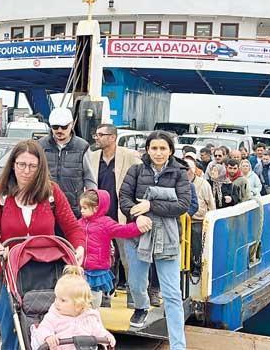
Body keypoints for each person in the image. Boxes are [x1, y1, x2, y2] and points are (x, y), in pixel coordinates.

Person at [0, 140, 86, 350]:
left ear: (40, 167)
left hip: (44, 272)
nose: (26, 171)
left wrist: (80, 247)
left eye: (32, 166)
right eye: (21, 164)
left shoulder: (51, 193)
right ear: (13, 164)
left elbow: (73, 228)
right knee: (10, 328)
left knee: (44, 329)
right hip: (8, 272)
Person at [119, 131, 189, 349]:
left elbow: (183, 204)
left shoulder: (179, 173)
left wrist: (150, 205)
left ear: (170, 150)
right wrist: (136, 216)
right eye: (154, 148)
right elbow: (124, 199)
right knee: (136, 283)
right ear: (147, 149)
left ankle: (178, 345)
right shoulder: (136, 170)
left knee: (172, 294)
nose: (158, 153)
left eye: (163, 148)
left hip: (167, 239)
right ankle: (141, 306)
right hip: (138, 237)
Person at [89, 123, 142, 293]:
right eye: (96, 134)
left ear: (113, 137)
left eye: (101, 134)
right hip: (100, 217)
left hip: (121, 215)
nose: (97, 138)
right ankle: (106, 292)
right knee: (103, 257)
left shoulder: (129, 156)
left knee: (127, 257)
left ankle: (134, 294)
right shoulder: (92, 157)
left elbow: (140, 181)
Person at [77, 190, 149, 308]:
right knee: (81, 294)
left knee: (95, 292)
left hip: (97, 266)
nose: (81, 210)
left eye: (85, 208)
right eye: (81, 207)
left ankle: (94, 313)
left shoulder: (106, 223)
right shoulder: (79, 223)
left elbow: (123, 230)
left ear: (96, 208)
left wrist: (138, 227)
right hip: (81, 266)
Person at [30, 265, 116, 350]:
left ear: (78, 305)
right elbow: (43, 328)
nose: (56, 302)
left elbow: (99, 331)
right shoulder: (54, 315)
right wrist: (48, 336)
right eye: (56, 298)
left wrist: (106, 337)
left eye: (63, 300)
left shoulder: (89, 317)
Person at [38, 107, 96, 217]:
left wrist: (91, 203)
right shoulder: (40, 146)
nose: (59, 130)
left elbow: (89, 178)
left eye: (64, 127)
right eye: (55, 127)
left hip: (73, 209)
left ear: (71, 125)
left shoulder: (82, 147)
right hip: (45, 207)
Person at [186, 158, 215, 276]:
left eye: (187, 169)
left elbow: (211, 204)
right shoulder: (177, 183)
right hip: (181, 220)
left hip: (197, 220)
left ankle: (197, 265)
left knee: (196, 241)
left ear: (193, 170)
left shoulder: (204, 184)